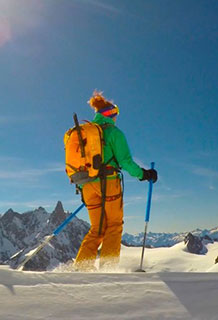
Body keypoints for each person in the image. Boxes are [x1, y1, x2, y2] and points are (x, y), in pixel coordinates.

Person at [74, 91, 158, 271]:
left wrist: (84, 187)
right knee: (114, 225)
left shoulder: (84, 134)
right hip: (109, 182)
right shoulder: (113, 132)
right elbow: (125, 161)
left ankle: (81, 268)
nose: (116, 117)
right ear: (110, 114)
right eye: (116, 114)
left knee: (96, 228)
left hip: (86, 185)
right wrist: (144, 174)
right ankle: (108, 269)